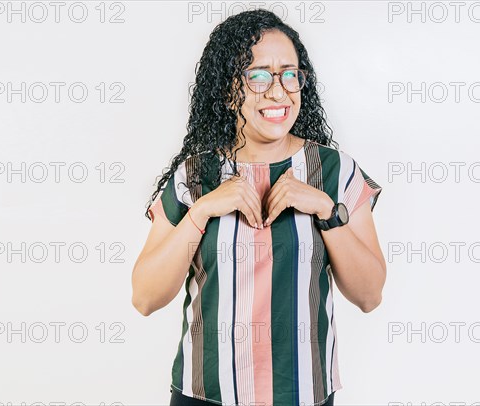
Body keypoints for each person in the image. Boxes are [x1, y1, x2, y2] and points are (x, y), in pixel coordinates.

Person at [132, 9, 386, 406]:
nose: (278, 91)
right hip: (205, 395)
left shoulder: (336, 172)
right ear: (229, 87)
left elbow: (370, 296)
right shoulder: (195, 176)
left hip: (304, 396)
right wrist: (201, 211)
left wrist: (325, 209)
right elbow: (145, 298)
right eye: (258, 75)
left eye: (290, 73)